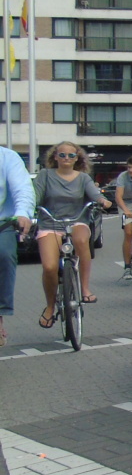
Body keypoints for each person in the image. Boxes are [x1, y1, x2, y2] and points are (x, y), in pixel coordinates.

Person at [34, 142, 112, 326]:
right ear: (55, 157)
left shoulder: (83, 178)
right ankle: (50, 306)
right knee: (50, 267)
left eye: (71, 155)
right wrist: (28, 206)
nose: (66, 159)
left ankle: (84, 288)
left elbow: (95, 195)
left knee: (81, 239)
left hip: (77, 220)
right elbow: (35, 196)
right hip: (50, 223)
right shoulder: (45, 175)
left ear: (77, 158)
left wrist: (103, 201)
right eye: (62, 155)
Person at [0, 145, 34, 347]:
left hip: (2, 222)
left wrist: (22, 212)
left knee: (4, 255)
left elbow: (22, 187)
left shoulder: (7, 157)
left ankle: (0, 311)